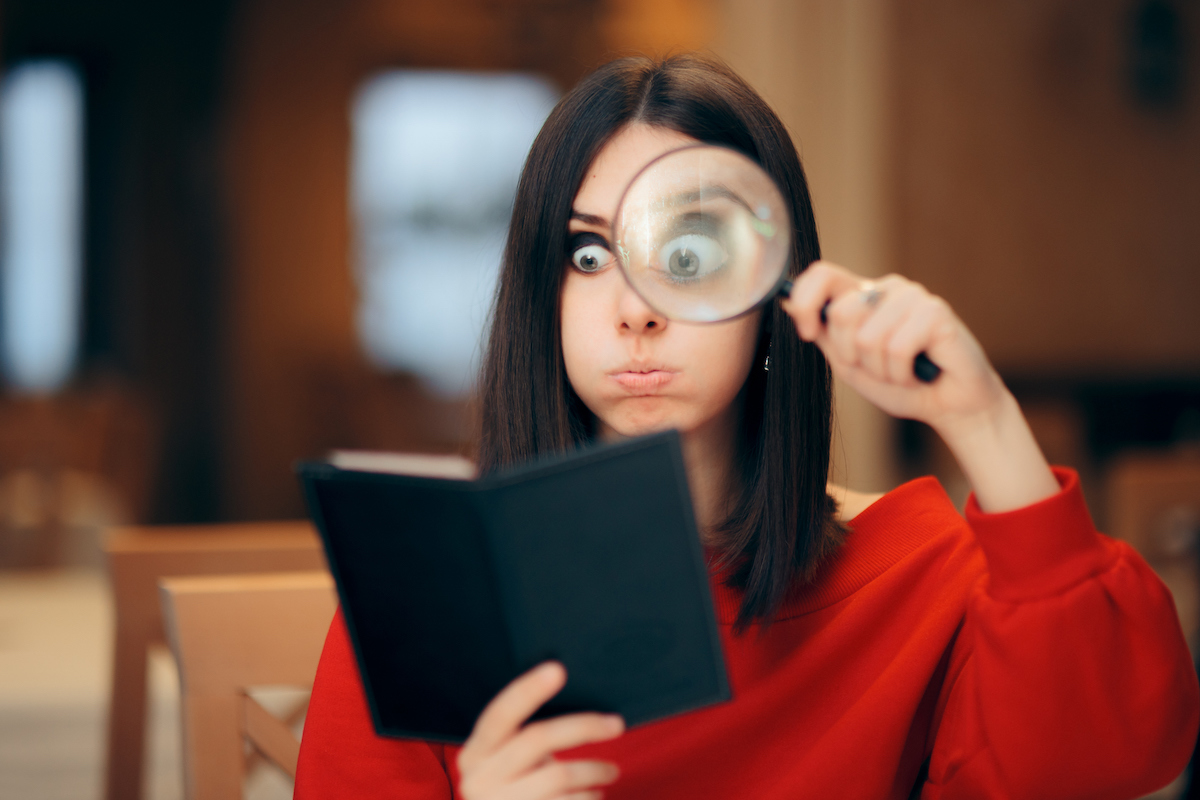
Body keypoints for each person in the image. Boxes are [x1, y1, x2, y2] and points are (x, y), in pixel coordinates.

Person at [295, 54, 1198, 799]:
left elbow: (1110, 762)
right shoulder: (432, 605)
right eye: (585, 252)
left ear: (771, 294)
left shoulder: (918, 572)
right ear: (543, 296)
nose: (634, 310)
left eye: (686, 252)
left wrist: (984, 416)